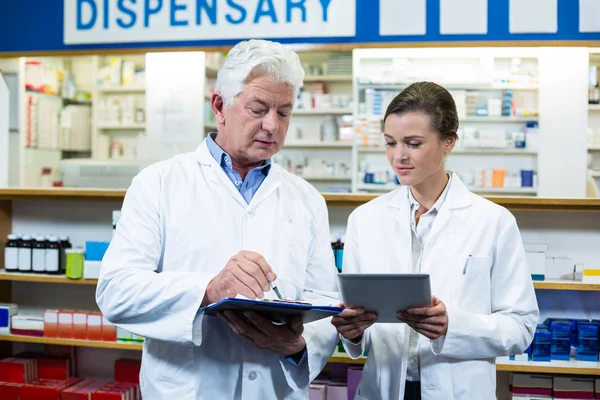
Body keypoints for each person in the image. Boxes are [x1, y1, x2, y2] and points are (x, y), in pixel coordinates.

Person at [96, 39, 340, 400]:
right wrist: (207, 290)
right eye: (258, 109)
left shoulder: (306, 199)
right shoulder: (159, 183)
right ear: (219, 106)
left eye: (284, 112)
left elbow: (324, 299)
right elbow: (115, 291)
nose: (272, 125)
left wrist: (297, 345)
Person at [331, 82, 539, 400]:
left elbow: (521, 327)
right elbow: (362, 325)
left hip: (459, 390)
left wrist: (451, 325)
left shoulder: (493, 221)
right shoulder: (366, 219)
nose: (398, 156)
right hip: (383, 389)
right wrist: (354, 332)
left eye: (413, 143)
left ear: (449, 142)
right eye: (390, 143)